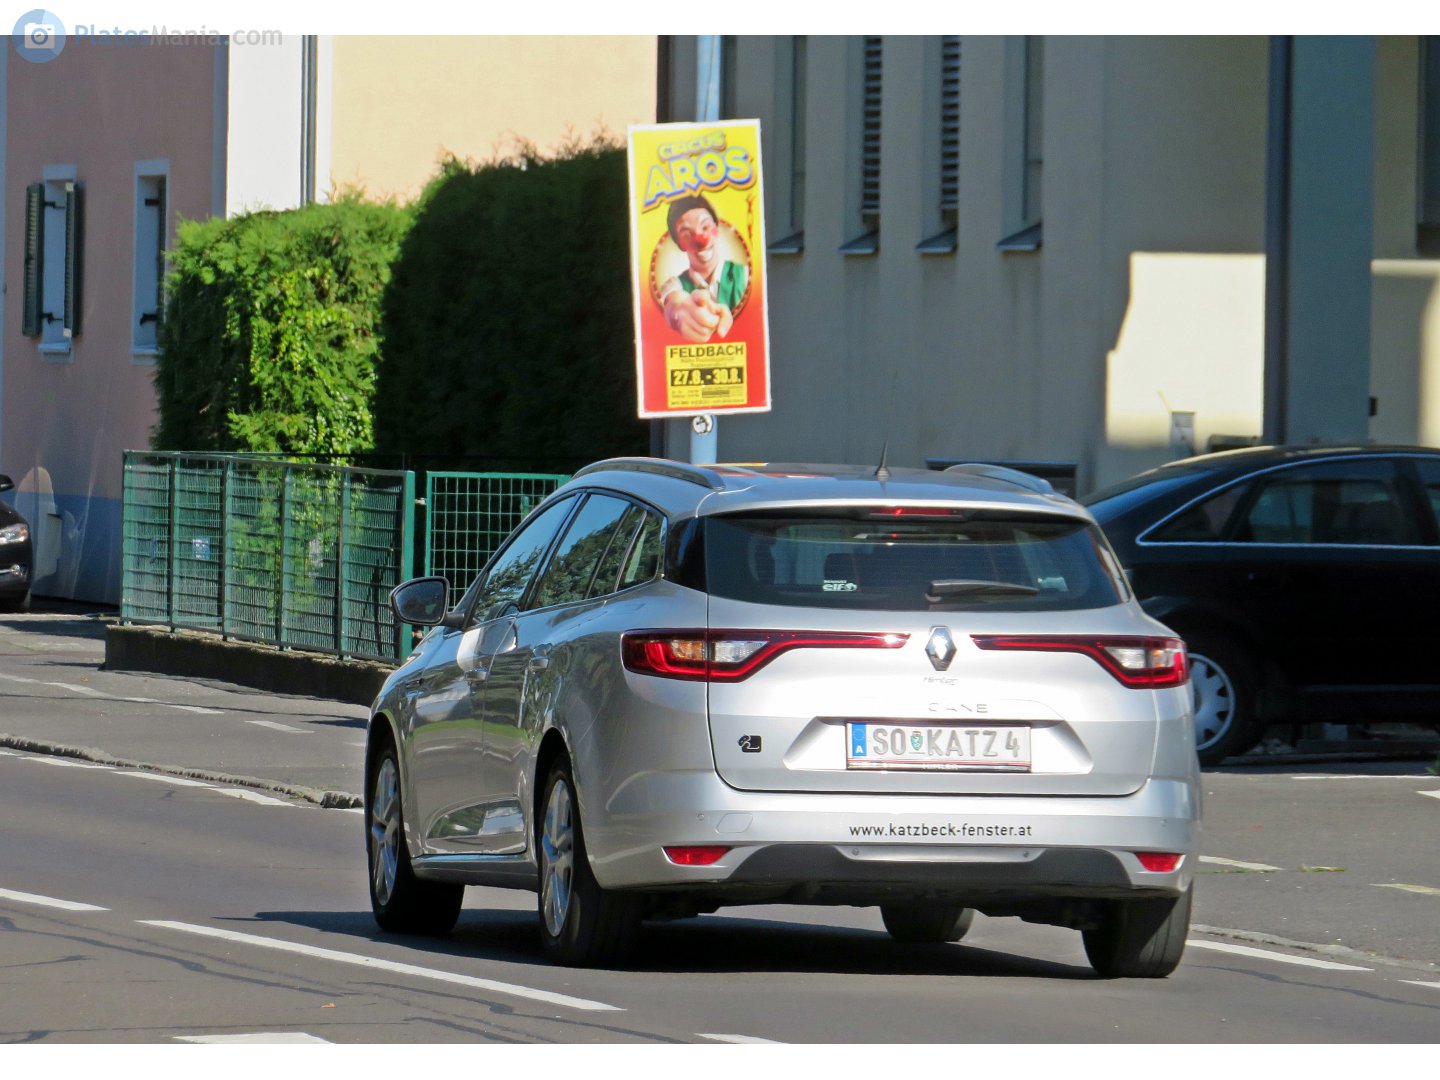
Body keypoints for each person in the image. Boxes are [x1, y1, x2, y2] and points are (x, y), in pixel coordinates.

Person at [658, 194, 748, 343]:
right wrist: (679, 311)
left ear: (717, 229)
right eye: (686, 233)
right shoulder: (674, 284)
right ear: (679, 243)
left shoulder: (744, 275)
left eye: (705, 226)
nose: (701, 240)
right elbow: (673, 301)